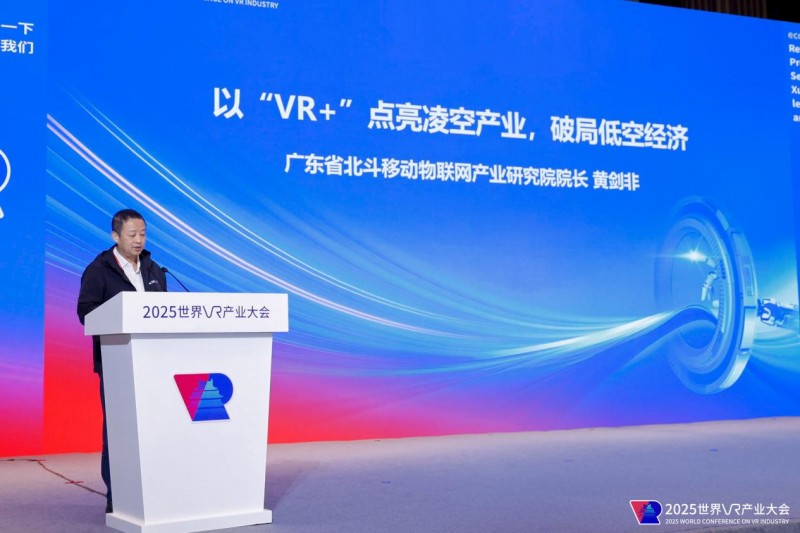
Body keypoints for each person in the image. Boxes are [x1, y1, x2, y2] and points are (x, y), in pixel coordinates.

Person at [76, 209, 167, 514]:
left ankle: (156, 490)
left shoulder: (155, 269)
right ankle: (117, 496)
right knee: (118, 431)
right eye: (132, 235)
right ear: (115, 236)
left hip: (156, 364)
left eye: (143, 234)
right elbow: (86, 313)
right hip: (117, 364)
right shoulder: (98, 270)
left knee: (156, 428)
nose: (139, 240)